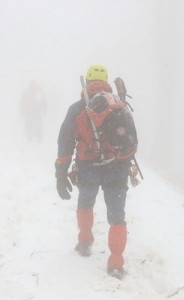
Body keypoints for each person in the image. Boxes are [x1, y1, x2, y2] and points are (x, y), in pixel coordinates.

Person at [55, 65, 138, 279]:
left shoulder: (78, 108)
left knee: (85, 204)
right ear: (106, 81)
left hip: (87, 167)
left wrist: (61, 172)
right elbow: (131, 142)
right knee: (117, 216)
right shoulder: (119, 105)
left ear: (88, 80)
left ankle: (84, 241)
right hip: (117, 169)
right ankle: (116, 263)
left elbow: (65, 141)